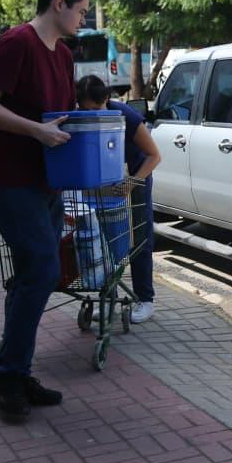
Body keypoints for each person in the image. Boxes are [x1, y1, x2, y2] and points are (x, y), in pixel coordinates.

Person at [0, 0, 94, 419]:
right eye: (80, 10)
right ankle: (6, 375)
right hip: (7, 176)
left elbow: (59, 116)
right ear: (58, 3)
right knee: (42, 270)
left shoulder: (62, 55)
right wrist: (36, 132)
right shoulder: (16, 43)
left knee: (32, 272)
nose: (83, 18)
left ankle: (16, 370)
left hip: (45, 177)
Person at [75, 75, 161, 323]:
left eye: (97, 109)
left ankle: (145, 300)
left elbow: (154, 156)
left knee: (138, 241)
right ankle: (109, 300)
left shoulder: (125, 115)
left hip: (134, 181)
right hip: (100, 185)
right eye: (85, 110)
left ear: (106, 100)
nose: (92, 114)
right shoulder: (78, 117)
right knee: (105, 244)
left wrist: (132, 183)